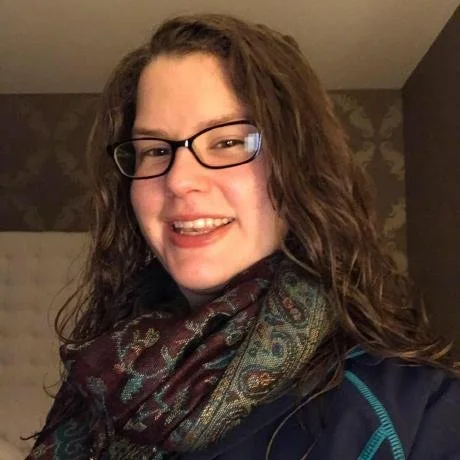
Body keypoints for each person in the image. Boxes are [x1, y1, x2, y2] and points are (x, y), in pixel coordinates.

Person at [27, 13, 460, 460]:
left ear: (300, 164)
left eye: (228, 142)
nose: (179, 180)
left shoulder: (419, 415)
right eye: (155, 150)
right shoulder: (101, 378)